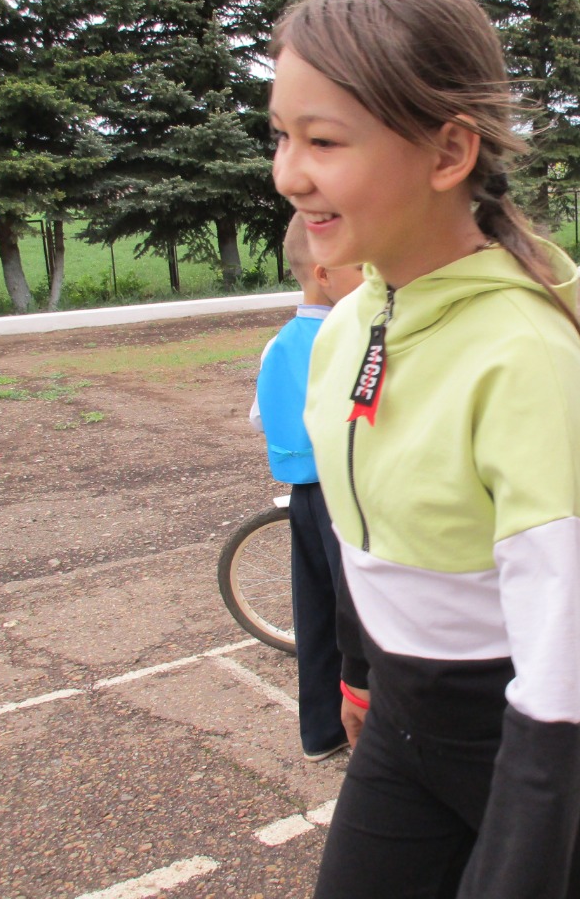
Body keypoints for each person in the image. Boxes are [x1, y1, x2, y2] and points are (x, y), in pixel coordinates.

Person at [268, 0, 580, 899]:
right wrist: (359, 673)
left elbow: (558, 666)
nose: (289, 172)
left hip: (544, 747)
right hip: (402, 724)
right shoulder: (348, 327)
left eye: (323, 140)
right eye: (281, 135)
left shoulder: (528, 359)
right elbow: (353, 526)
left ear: (448, 151)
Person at [249, 213, 363, 761]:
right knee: (360, 613)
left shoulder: (279, 342)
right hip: (348, 490)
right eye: (361, 266)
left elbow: (258, 417)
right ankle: (376, 727)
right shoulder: (348, 337)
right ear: (324, 273)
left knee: (314, 611)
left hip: (303, 495)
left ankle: (321, 732)